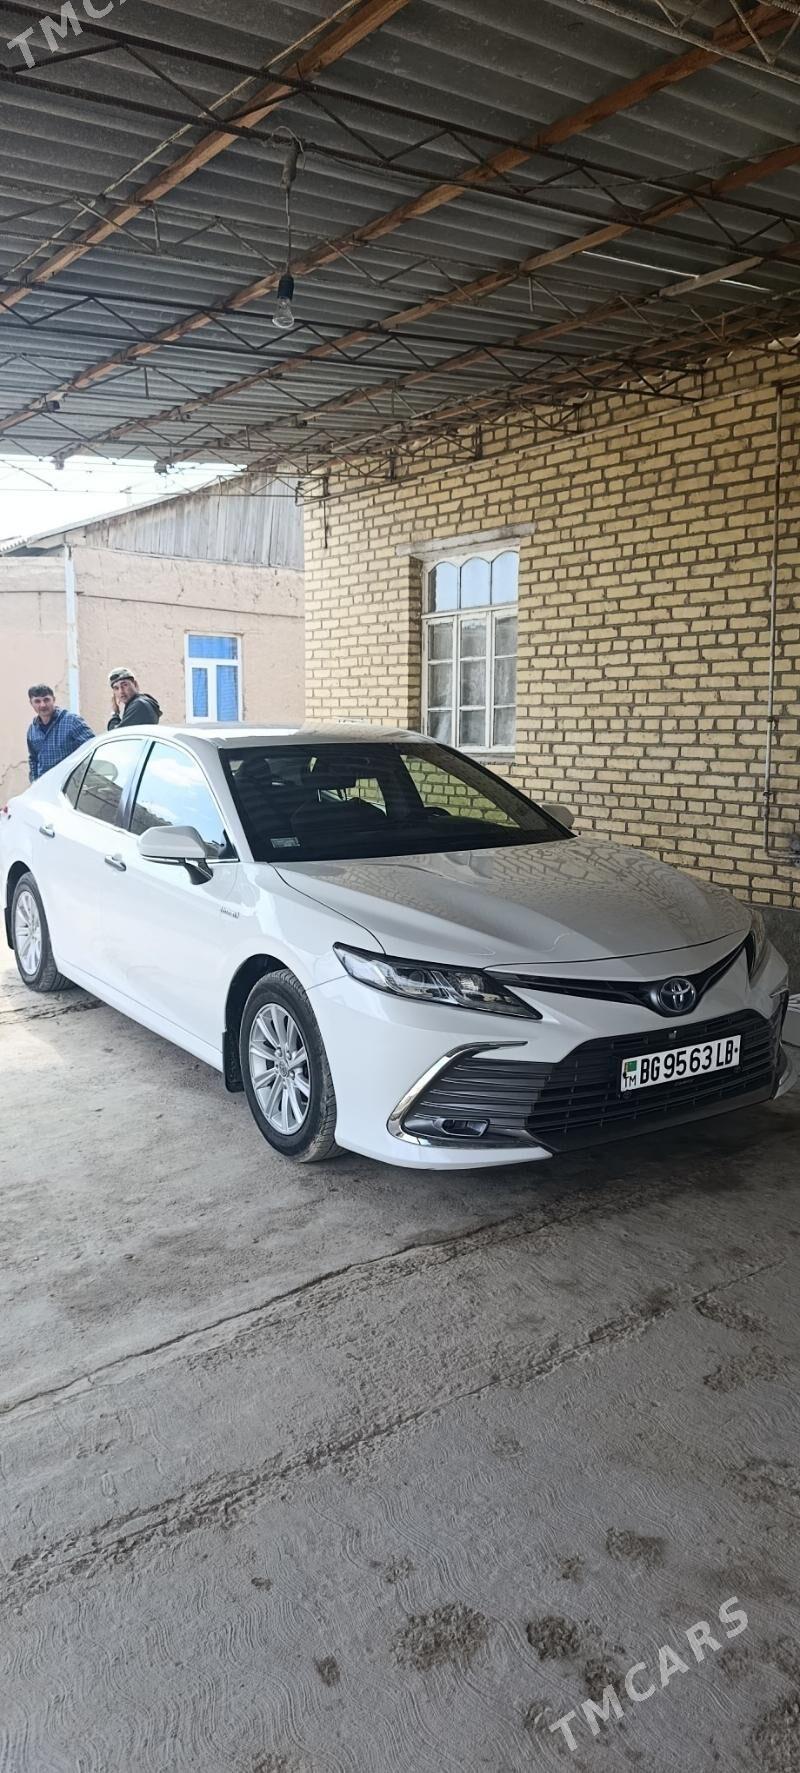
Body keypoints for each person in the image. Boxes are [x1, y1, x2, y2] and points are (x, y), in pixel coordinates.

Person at [26, 684, 94, 783]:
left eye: (46, 700)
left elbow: (91, 748)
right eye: (37, 701)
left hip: (70, 785)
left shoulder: (72, 721)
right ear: (31, 703)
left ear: (54, 699)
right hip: (45, 786)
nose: (43, 705)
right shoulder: (32, 730)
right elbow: (33, 759)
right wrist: (35, 782)